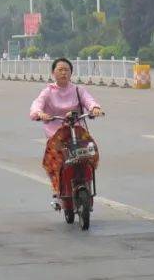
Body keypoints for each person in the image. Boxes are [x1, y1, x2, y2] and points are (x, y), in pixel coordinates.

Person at [29, 58, 104, 208]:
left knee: (90, 151)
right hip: (56, 134)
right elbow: (36, 105)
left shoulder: (77, 90)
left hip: (77, 130)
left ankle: (87, 180)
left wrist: (94, 108)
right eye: (60, 70)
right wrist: (40, 113)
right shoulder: (48, 92)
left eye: (67, 70)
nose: (64, 73)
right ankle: (57, 193)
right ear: (53, 73)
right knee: (55, 161)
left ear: (71, 73)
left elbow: (88, 100)